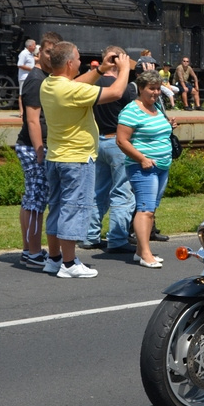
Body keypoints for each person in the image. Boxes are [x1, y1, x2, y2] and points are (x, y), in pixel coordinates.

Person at [40, 41, 132, 279]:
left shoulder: (49, 84)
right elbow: (116, 92)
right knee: (73, 208)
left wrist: (101, 70)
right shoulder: (70, 90)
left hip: (55, 157)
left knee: (57, 208)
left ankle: (54, 259)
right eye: (78, 59)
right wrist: (125, 69)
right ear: (70, 63)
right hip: (77, 159)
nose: (81, 62)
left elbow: (77, 82)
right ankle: (69, 264)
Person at [116, 70, 176, 269]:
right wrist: (141, 158)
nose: (156, 92)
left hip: (161, 165)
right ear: (141, 89)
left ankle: (140, 251)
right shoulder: (131, 110)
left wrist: (168, 126)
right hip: (143, 167)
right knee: (145, 209)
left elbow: (154, 129)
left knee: (151, 210)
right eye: (151, 88)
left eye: (158, 89)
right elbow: (121, 141)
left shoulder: (157, 107)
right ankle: (146, 254)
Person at [83, 45, 138, 254]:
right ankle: (117, 238)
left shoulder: (93, 84)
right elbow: (135, 114)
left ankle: (90, 236)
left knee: (98, 191)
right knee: (122, 192)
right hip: (119, 143)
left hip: (98, 141)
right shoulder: (122, 86)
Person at [15, 31, 61, 268]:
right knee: (36, 200)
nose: (50, 56)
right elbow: (32, 120)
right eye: (47, 51)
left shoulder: (48, 76)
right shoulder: (36, 79)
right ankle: (33, 252)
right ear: (38, 52)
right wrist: (40, 151)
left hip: (36, 146)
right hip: (33, 147)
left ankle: (28, 249)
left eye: (55, 52)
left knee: (31, 199)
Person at [17, 38, 36, 119]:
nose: (35, 47)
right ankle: (21, 111)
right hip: (24, 77)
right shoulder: (24, 53)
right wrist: (31, 69)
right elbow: (20, 64)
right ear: (30, 46)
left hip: (29, 77)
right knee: (21, 94)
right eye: (34, 45)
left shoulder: (31, 54)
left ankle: (26, 111)